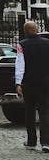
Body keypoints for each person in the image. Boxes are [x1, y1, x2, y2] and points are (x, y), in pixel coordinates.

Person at [15, 20, 49, 152]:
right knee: (45, 112)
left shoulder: (22, 45)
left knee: (29, 112)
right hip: (45, 82)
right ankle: (46, 142)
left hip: (29, 83)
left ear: (25, 31)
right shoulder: (47, 43)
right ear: (37, 29)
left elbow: (20, 65)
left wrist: (18, 83)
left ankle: (31, 141)